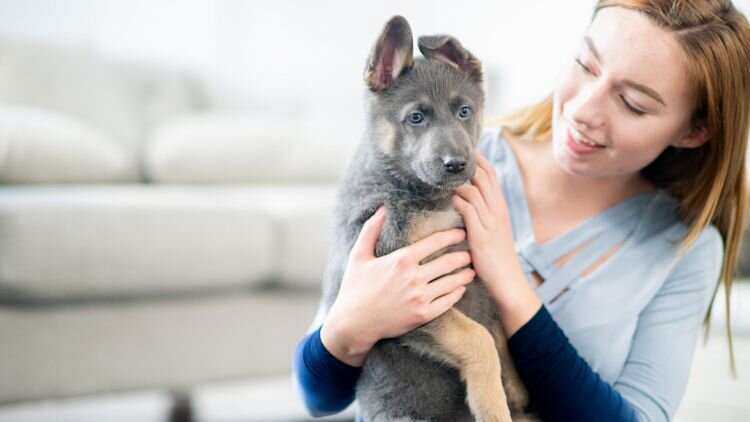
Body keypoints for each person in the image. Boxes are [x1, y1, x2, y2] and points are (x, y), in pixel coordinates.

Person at [294, 1, 750, 421]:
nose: (585, 109)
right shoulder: (442, 169)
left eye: (633, 103)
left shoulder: (685, 248)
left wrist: (510, 286)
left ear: (694, 131)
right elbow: (319, 397)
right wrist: (350, 327)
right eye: (585, 64)